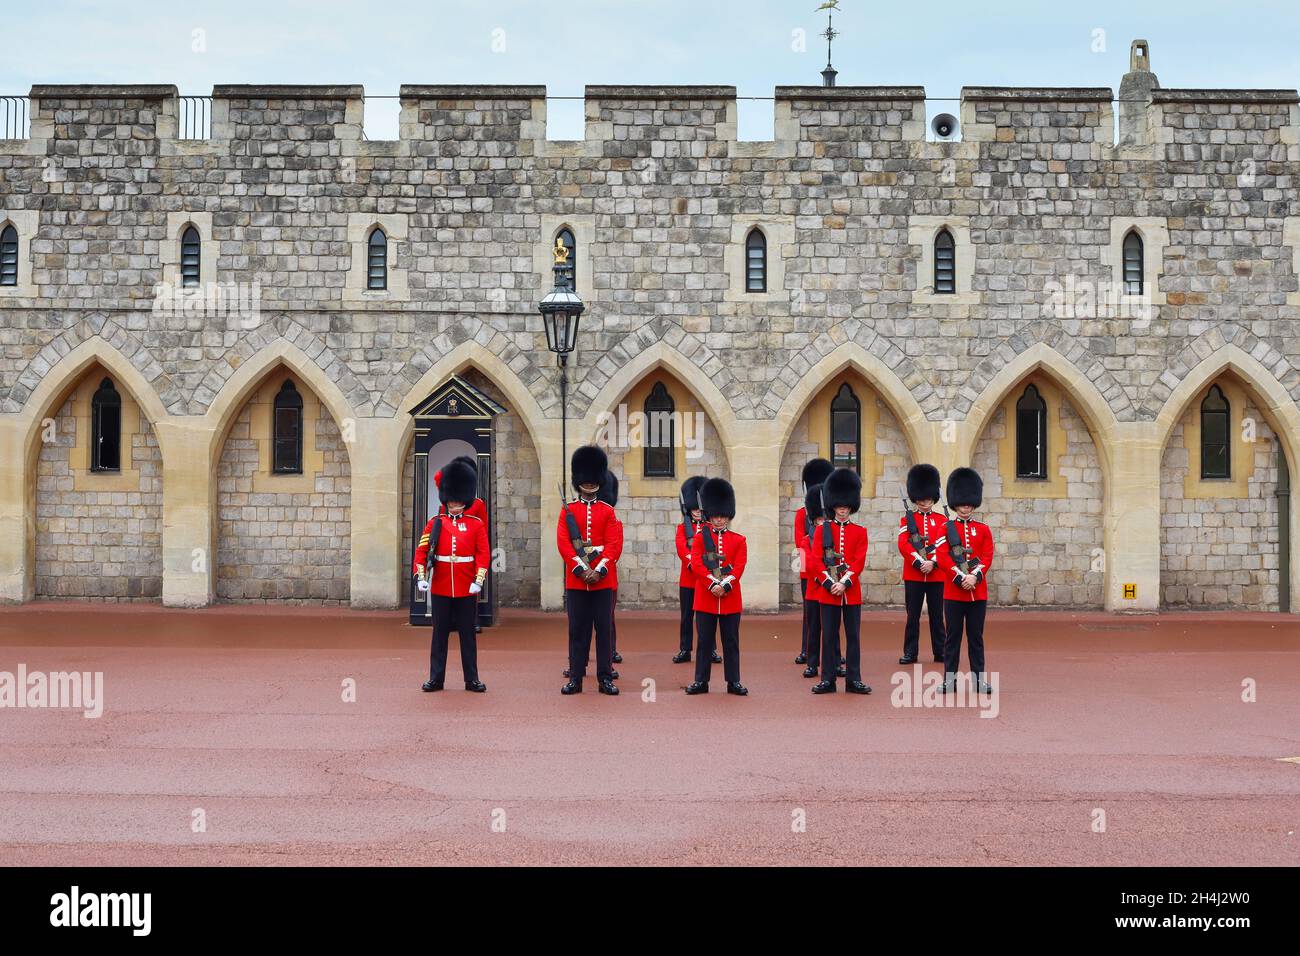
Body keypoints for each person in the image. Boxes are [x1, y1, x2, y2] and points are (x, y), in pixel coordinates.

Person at [413, 458, 489, 693]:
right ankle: (436, 678)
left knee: (468, 636)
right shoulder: (435, 523)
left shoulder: (475, 524)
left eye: (459, 501)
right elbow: (421, 551)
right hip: (441, 587)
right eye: (452, 500)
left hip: (467, 586)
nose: (455, 505)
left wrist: (479, 580)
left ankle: (471, 679)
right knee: (440, 635)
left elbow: (483, 554)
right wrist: (421, 576)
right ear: (446, 499)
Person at [557, 445, 623, 696]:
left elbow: (613, 545)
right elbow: (564, 544)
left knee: (603, 630)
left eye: (593, 479)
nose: (589, 484)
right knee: (577, 630)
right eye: (584, 479)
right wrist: (581, 569)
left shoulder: (608, 511)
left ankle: (605, 677)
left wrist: (599, 571)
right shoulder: (568, 512)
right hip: (577, 582)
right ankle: (576, 678)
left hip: (602, 581)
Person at [809, 468, 872, 695]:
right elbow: (816, 561)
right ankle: (828, 679)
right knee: (828, 637)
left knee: (853, 638)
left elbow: (858, 561)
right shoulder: (821, 532)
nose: (843, 510)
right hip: (828, 593)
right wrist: (829, 583)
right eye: (839, 506)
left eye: (846, 506)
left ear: (851, 506)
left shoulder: (860, 532)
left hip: (850, 592)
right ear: (833, 506)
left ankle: (853, 679)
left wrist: (844, 582)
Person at [685, 478, 748, 696]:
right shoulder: (701, 538)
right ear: (710, 515)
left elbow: (739, 567)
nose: (719, 520)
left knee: (731, 642)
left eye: (722, 516)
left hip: (729, 598)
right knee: (704, 642)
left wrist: (725, 585)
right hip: (705, 597)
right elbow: (697, 563)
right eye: (715, 516)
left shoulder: (739, 540)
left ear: (728, 516)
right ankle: (701, 681)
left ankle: (734, 681)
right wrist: (712, 583)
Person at [936, 467, 995, 695]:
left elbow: (988, 555)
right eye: (962, 503)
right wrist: (961, 577)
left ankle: (979, 681)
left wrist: (975, 576)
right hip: (953, 592)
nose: (966, 506)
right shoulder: (944, 529)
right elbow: (942, 557)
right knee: (952, 639)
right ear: (956, 503)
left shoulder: (983, 530)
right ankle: (949, 681)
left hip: (977, 593)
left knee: (976, 639)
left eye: (969, 503)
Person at [897, 463, 947, 666]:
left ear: (933, 498)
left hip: (936, 575)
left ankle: (940, 650)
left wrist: (933, 562)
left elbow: (945, 546)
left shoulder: (942, 520)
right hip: (914, 575)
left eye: (927, 499)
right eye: (921, 499)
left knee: (937, 615)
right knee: (913, 617)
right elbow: (903, 544)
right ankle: (910, 652)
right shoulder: (907, 519)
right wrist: (919, 562)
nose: (925, 503)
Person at [434, 455, 490, 632]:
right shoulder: (446, 504)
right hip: (449, 557)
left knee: (471, 590)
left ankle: (473, 619)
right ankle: (450, 619)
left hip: (469, 553)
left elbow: (483, 529)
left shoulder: (478, 504)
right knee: (449, 589)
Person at [671, 475, 719, 666]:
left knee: (708, 616)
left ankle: (711, 649)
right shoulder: (683, 528)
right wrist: (694, 563)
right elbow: (682, 549)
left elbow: (714, 549)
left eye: (700, 508)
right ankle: (685, 649)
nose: (698, 511)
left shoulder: (710, 528)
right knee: (686, 616)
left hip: (706, 579)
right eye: (694, 509)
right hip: (689, 579)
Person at [794, 458, 834, 665]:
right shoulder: (803, 514)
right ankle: (807, 649)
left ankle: (833, 653)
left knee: (832, 613)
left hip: (831, 571)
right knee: (810, 613)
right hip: (808, 571)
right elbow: (800, 543)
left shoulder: (832, 515)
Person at [798, 483, 826, 679]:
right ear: (813, 521)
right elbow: (808, 563)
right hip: (815, 588)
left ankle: (833, 661)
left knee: (831, 630)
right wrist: (824, 577)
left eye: (825, 519)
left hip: (830, 590)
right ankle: (812, 663)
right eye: (819, 520)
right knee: (814, 628)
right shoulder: (806, 540)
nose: (822, 523)